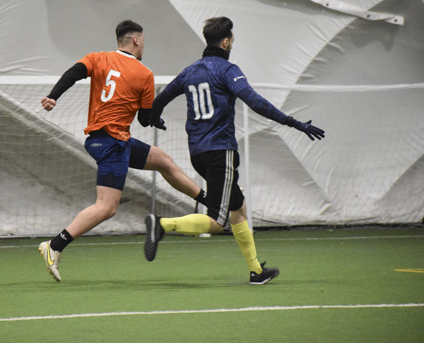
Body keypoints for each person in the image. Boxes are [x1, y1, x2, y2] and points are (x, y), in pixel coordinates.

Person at [144, 16, 325, 285]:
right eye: (233, 41)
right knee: (217, 222)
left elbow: (159, 100)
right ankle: (161, 225)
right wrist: (294, 123)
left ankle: (256, 271)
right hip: (220, 151)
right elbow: (255, 102)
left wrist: (153, 118)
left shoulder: (189, 72)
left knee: (238, 206)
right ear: (226, 42)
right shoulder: (227, 70)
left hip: (198, 153)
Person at [38, 20, 208, 282]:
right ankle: (54, 246)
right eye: (144, 41)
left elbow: (73, 72)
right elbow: (144, 119)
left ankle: (208, 200)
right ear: (136, 40)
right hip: (112, 143)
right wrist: (155, 117)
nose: (144, 46)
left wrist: (53, 96)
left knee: (162, 160)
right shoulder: (144, 74)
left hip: (111, 141)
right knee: (106, 207)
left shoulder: (98, 58)